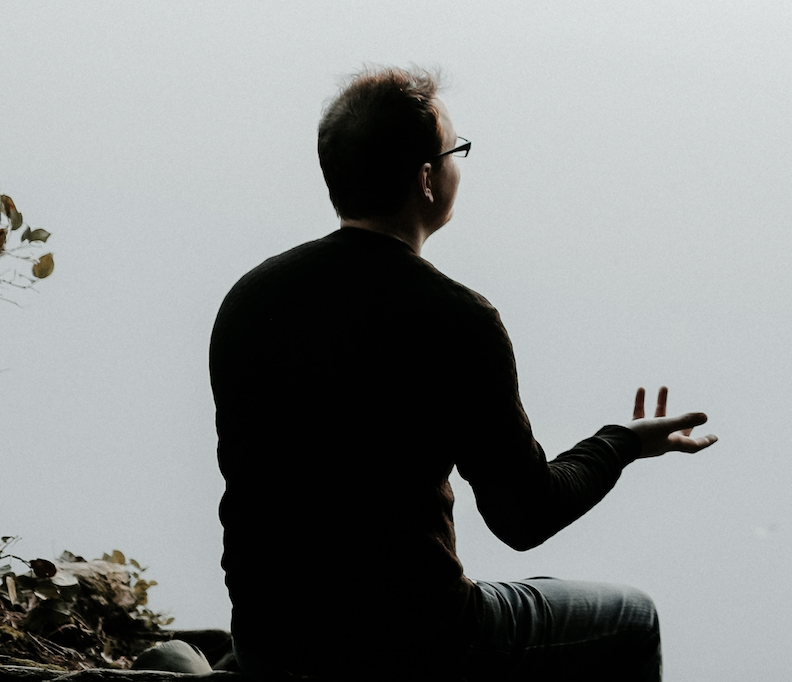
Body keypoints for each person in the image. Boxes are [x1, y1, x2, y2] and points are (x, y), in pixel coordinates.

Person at [209, 67, 718, 680]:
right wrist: (625, 443)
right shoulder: (453, 317)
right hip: (413, 644)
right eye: (457, 150)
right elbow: (524, 518)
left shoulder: (250, 297)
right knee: (631, 618)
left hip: (273, 641)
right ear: (426, 180)